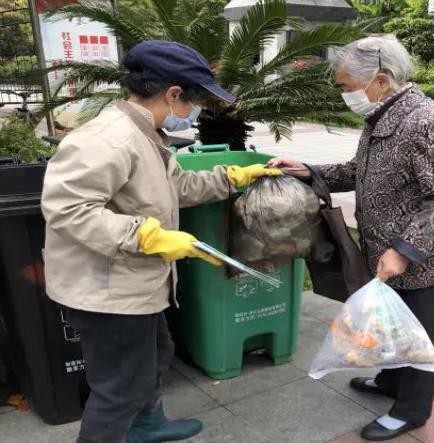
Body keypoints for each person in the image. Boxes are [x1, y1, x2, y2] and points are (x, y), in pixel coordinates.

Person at [41, 40, 281, 443]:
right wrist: (147, 237)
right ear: (173, 94)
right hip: (107, 293)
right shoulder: (108, 140)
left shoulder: (147, 133)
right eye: (196, 101)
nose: (196, 111)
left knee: (158, 353)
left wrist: (234, 177)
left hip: (138, 284)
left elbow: (177, 187)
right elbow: (67, 209)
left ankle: (148, 425)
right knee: (120, 389)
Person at [269, 35, 434, 441]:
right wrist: (309, 171)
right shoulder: (386, 117)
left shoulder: (425, 122)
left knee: (422, 333)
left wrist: (404, 251)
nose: (346, 94)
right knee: (396, 324)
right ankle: (392, 382)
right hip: (392, 252)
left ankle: (412, 410)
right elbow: (359, 172)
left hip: (428, 259)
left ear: (380, 80)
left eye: (348, 86)